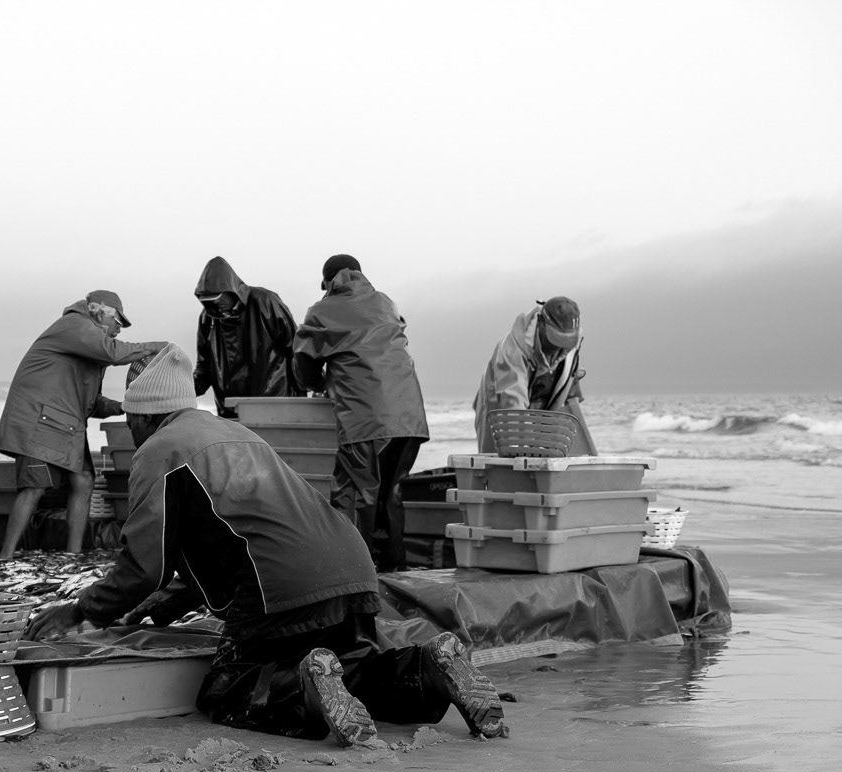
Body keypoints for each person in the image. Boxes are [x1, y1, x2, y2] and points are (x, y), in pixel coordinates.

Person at [25, 344, 507, 746]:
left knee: (227, 690)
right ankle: (429, 665)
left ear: (141, 414)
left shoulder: (159, 451)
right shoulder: (233, 433)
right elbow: (239, 533)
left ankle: (302, 682)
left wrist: (81, 611)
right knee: (355, 670)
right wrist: (164, 602)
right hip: (352, 568)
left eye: (130, 418)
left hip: (280, 585)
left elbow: (142, 565)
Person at [0, 291, 166, 560]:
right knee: (34, 487)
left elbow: (90, 402)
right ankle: (6, 556)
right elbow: (113, 352)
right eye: (118, 321)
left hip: (64, 423)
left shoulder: (90, 349)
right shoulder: (74, 325)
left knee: (84, 480)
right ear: (100, 311)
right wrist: (157, 346)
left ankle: (72, 555)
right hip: (38, 419)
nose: (119, 329)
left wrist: (122, 406)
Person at [292, 254, 429, 571]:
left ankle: (350, 575)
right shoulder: (385, 302)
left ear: (327, 283)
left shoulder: (322, 311)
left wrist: (316, 383)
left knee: (355, 496)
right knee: (388, 494)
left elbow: (303, 360)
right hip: (410, 417)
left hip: (366, 418)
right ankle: (393, 569)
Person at [472, 296, 590, 453]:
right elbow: (513, 401)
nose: (558, 348)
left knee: (554, 455)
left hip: (542, 398)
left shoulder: (572, 345)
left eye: (565, 342)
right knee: (497, 458)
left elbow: (570, 398)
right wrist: (522, 448)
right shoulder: (514, 348)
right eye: (555, 339)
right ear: (541, 322)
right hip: (499, 400)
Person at [192, 256, 302, 419]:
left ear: (230, 290)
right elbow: (204, 367)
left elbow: (296, 349)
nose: (216, 305)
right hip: (230, 412)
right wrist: (181, 392)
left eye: (219, 298)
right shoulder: (207, 319)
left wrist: (304, 392)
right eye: (208, 301)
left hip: (274, 407)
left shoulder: (265, 301)